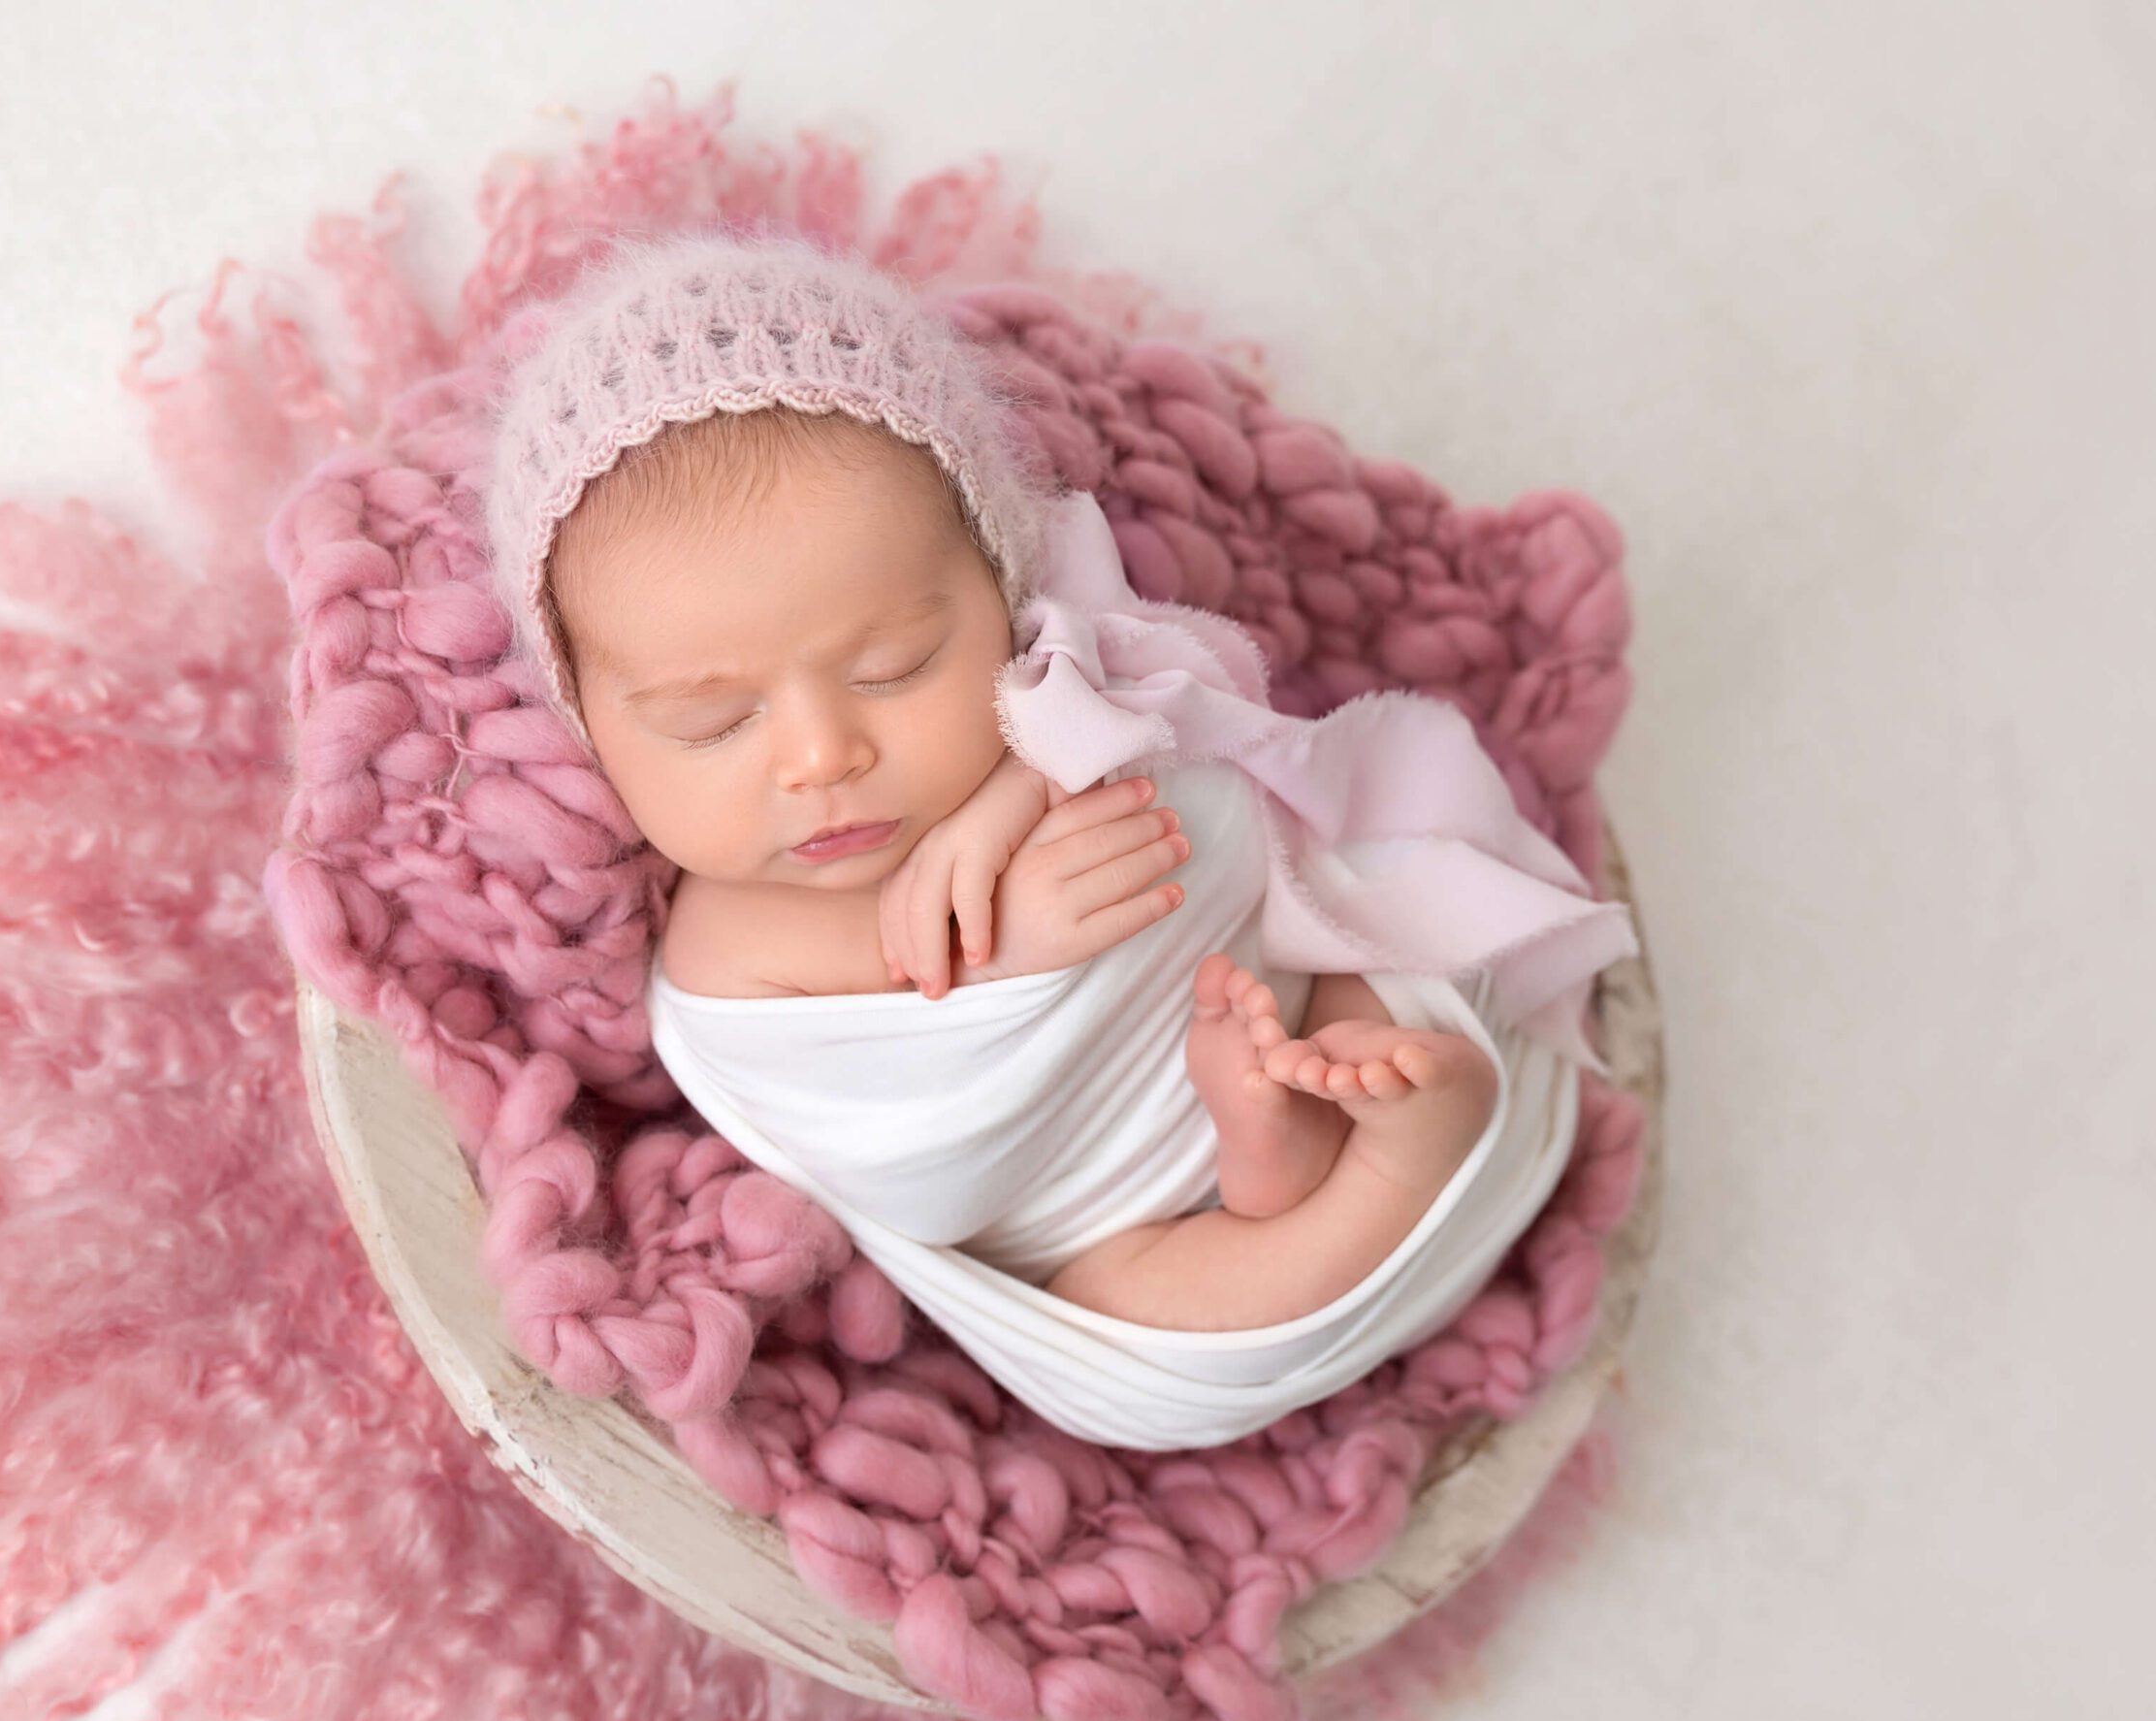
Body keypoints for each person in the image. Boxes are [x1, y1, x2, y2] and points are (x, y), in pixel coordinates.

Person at [480, 228, 1632, 1447]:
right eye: (712, 724)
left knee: (1376, 924)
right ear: (589, 727)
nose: (821, 758)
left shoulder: (1046, 706)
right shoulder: (729, 953)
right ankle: (1386, 1170)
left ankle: (1300, 1135)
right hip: (1121, 1228)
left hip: (1289, 1000)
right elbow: (916, 1178)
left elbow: (1211, 747)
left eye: (896, 666)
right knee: (1120, 1341)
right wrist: (1016, 956)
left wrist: (1023, 786)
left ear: (997, 582)